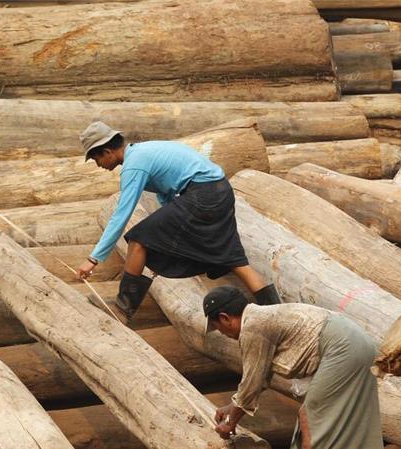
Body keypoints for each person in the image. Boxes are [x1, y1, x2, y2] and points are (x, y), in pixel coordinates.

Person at [76, 121, 279, 321]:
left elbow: (122, 214)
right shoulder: (145, 151)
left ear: (107, 151)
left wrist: (94, 258)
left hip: (202, 195)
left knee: (138, 240)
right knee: (235, 260)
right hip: (220, 191)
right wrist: (162, 248)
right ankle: (276, 314)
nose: (99, 166)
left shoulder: (134, 165)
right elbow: (168, 196)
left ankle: (122, 309)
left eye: (96, 160)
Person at [203, 285, 383, 449]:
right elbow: (260, 379)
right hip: (356, 341)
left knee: (310, 420)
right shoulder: (260, 316)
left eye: (218, 328)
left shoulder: (252, 327)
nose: (223, 334)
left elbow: (252, 382)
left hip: (343, 347)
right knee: (336, 420)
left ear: (224, 318)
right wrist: (231, 407)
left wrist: (230, 421)